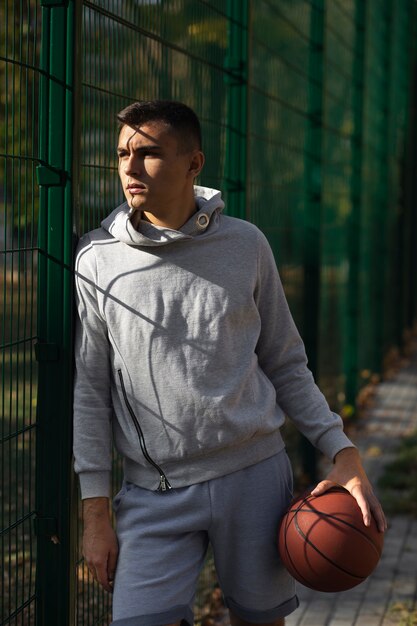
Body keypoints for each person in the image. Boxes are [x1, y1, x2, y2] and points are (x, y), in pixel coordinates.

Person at [73, 100, 386, 626]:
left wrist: (343, 450)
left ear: (194, 164)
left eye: (148, 153)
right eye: (122, 153)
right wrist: (95, 512)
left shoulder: (246, 245)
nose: (129, 167)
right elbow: (90, 390)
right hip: (153, 492)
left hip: (253, 477)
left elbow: (286, 363)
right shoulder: (97, 260)